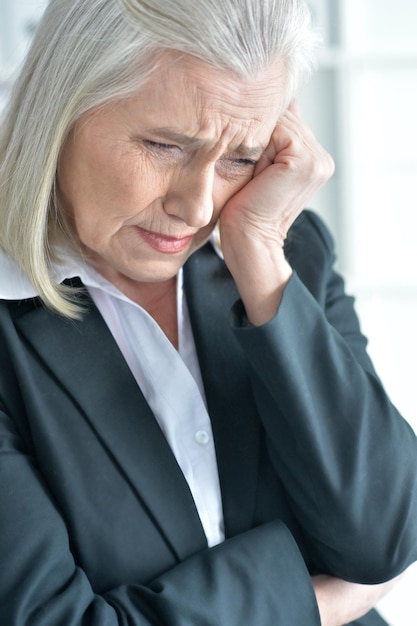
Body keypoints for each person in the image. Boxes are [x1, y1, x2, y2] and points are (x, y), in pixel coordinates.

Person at [0, 0, 416, 624]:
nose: (197, 209)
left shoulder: (284, 252)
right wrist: (315, 603)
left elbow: (381, 536)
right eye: (165, 145)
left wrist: (259, 258)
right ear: (62, 107)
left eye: (240, 159)